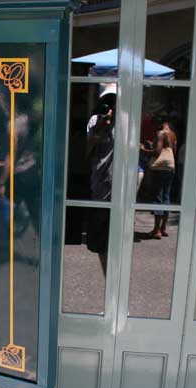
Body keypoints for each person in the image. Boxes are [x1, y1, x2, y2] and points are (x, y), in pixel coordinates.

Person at [85, 93, 115, 274]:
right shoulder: (95, 121)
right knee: (100, 217)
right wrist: (101, 128)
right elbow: (87, 150)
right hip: (99, 177)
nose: (109, 110)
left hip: (116, 179)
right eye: (106, 105)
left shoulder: (125, 122)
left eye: (112, 106)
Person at [148, 130, 175, 239]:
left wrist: (143, 150)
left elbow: (157, 152)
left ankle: (157, 230)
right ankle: (163, 228)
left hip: (160, 169)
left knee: (158, 198)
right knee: (166, 197)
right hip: (170, 168)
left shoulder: (160, 133)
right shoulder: (172, 135)